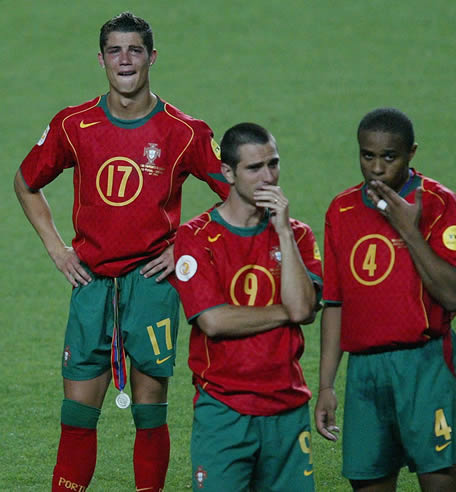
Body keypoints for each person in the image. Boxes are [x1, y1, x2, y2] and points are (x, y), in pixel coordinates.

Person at [14, 11, 228, 491]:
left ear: (152, 57)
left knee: (150, 416)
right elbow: (26, 182)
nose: (125, 59)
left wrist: (183, 247)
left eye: (135, 50)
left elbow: (235, 197)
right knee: (77, 415)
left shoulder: (185, 131)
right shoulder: (74, 124)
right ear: (101, 59)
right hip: (90, 285)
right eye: (115, 50)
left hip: (152, 287)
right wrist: (57, 249)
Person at [315, 108, 456, 491]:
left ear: (411, 153)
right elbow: (334, 304)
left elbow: (453, 295)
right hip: (365, 374)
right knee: (368, 480)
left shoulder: (439, 203)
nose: (378, 168)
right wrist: (326, 385)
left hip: (426, 366)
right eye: (368, 156)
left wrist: (408, 229)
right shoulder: (342, 210)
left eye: (390, 157)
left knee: (440, 480)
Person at [173, 122, 323, 491]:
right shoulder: (196, 237)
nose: (268, 177)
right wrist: (285, 312)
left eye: (273, 164)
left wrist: (284, 232)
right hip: (224, 410)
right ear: (228, 172)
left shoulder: (298, 234)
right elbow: (214, 321)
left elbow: (304, 309)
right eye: (254, 168)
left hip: (287, 409)